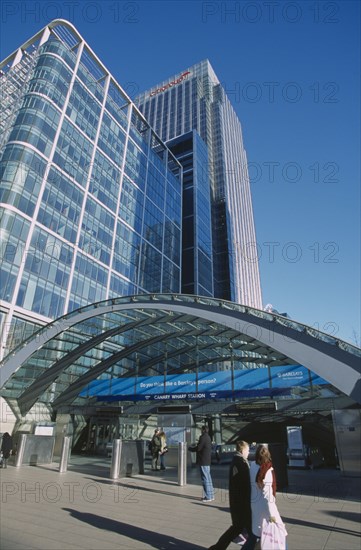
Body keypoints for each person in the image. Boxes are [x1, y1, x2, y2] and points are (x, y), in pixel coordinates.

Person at [208, 440, 251, 550]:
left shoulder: (237, 461)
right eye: (248, 450)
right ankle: (217, 547)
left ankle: (218, 547)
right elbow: (243, 483)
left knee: (238, 528)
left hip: (238, 501)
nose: (249, 452)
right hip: (241, 502)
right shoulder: (240, 462)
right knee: (246, 530)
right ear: (242, 450)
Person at [243, 444, 287, 550]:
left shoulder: (252, 465)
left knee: (256, 535)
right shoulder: (268, 471)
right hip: (265, 509)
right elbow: (268, 496)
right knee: (281, 535)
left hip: (254, 505)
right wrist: (272, 516)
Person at [189, 425, 214, 502]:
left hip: (203, 461)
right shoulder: (208, 437)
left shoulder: (202, 437)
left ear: (203, 430)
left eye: (201, 429)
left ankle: (208, 497)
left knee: (205, 479)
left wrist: (191, 449)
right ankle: (211, 495)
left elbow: (199, 448)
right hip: (207, 460)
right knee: (208, 478)